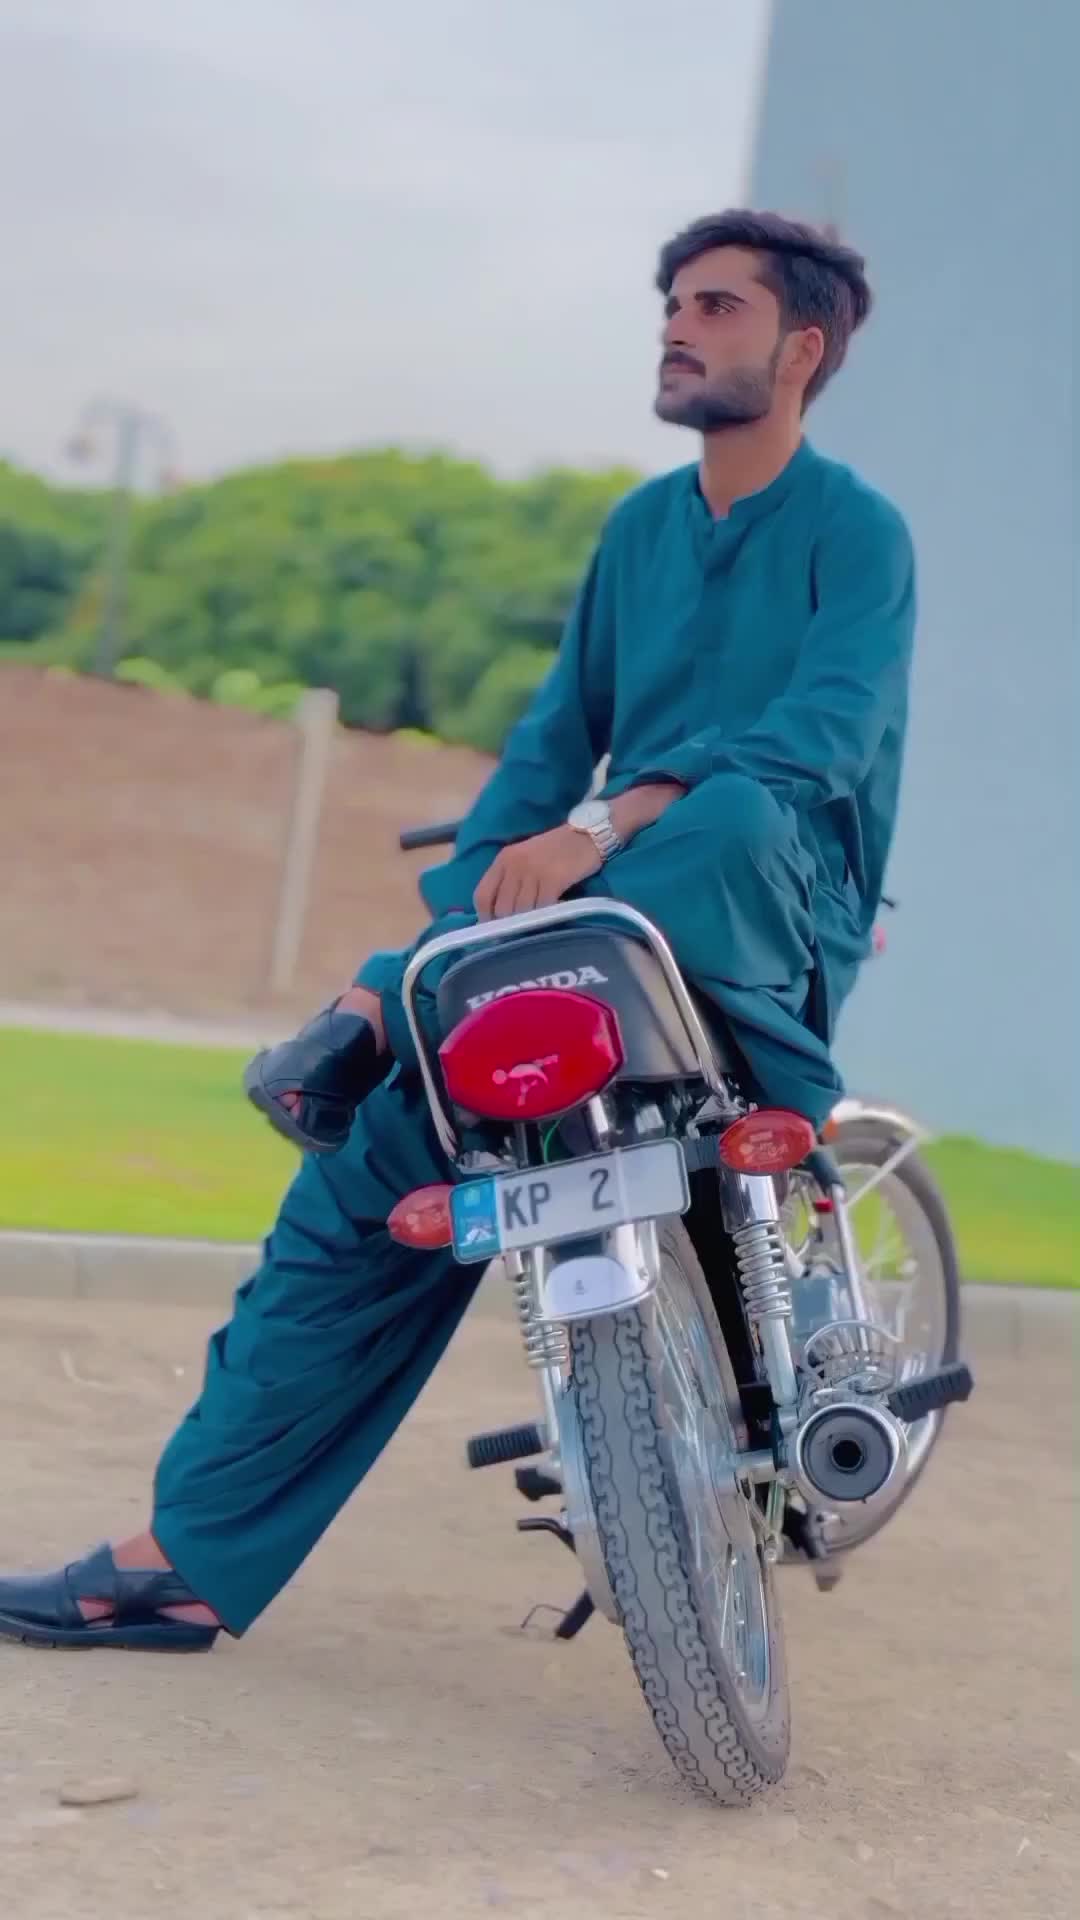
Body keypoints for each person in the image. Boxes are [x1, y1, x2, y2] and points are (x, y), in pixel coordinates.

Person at [0, 210, 915, 1651]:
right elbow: (553, 744)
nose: (677, 326)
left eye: (717, 307)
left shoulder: (857, 534)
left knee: (731, 809)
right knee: (357, 1191)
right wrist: (481, 891)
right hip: (594, 954)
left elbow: (825, 736)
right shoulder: (639, 532)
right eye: (673, 303)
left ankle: (391, 1003)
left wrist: (611, 823)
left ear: (802, 349)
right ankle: (183, 1557)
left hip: (756, 917)